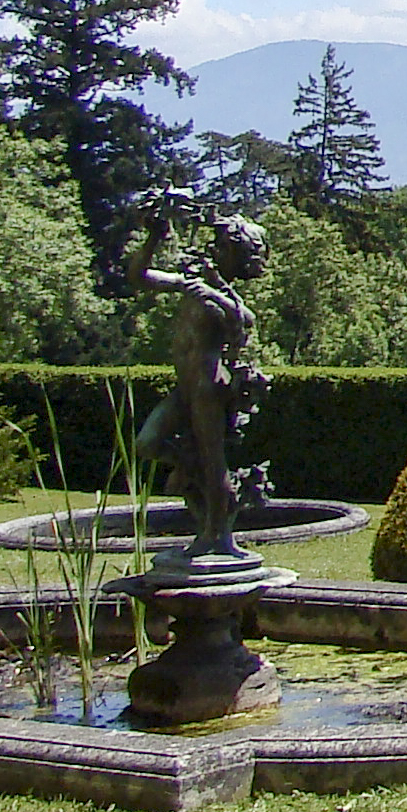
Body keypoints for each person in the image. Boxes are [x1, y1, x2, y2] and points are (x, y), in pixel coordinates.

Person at [124, 193, 273, 565]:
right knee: (147, 443)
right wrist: (154, 238)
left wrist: (214, 295)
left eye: (224, 247)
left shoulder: (228, 299)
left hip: (209, 385)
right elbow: (138, 277)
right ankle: (197, 483)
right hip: (186, 386)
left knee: (214, 461)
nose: (215, 250)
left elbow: (241, 328)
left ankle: (218, 536)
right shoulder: (192, 281)